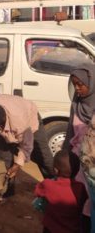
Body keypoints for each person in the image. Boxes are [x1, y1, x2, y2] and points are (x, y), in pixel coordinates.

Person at [0, 94, 55, 195]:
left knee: (43, 156)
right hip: (8, 110)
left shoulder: (21, 123)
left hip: (29, 116)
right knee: (5, 157)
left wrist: (17, 165)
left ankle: (54, 186)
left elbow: (26, 146)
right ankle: (8, 190)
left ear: (4, 118)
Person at [63, 63, 95, 232]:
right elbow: (70, 130)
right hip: (77, 159)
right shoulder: (76, 103)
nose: (77, 89)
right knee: (78, 198)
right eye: (74, 84)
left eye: (80, 84)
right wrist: (65, 155)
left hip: (92, 164)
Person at [34, 150, 87, 233]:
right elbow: (83, 201)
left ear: (55, 170)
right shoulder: (80, 187)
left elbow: (37, 191)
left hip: (51, 228)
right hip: (72, 229)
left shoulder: (48, 184)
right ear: (77, 171)